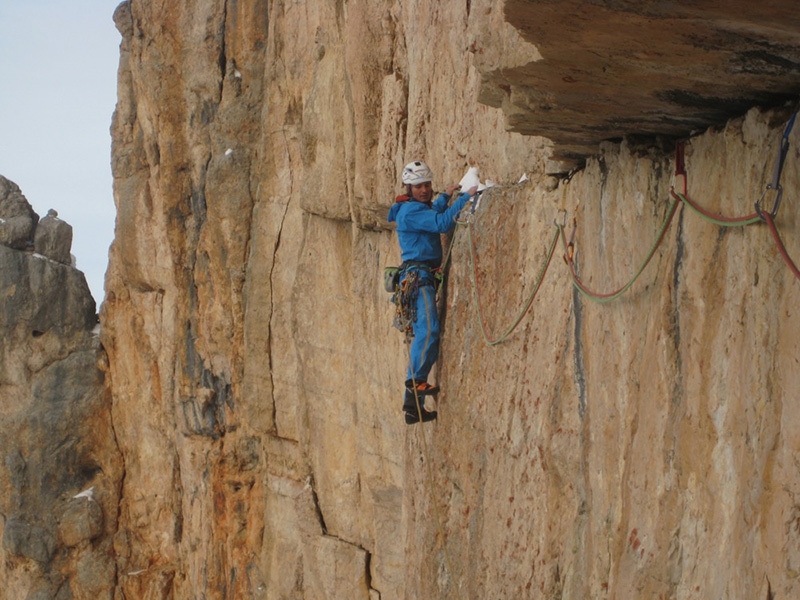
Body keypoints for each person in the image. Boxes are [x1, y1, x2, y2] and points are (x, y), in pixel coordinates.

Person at [387, 161, 478, 424]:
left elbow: (431, 213)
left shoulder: (414, 208)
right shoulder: (410, 212)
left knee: (424, 333)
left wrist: (446, 195)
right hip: (419, 279)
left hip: (418, 277)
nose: (424, 190)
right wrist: (464, 199)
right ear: (409, 187)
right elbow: (441, 224)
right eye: (419, 186)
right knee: (428, 331)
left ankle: (413, 407)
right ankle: (416, 382)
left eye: (427, 185)